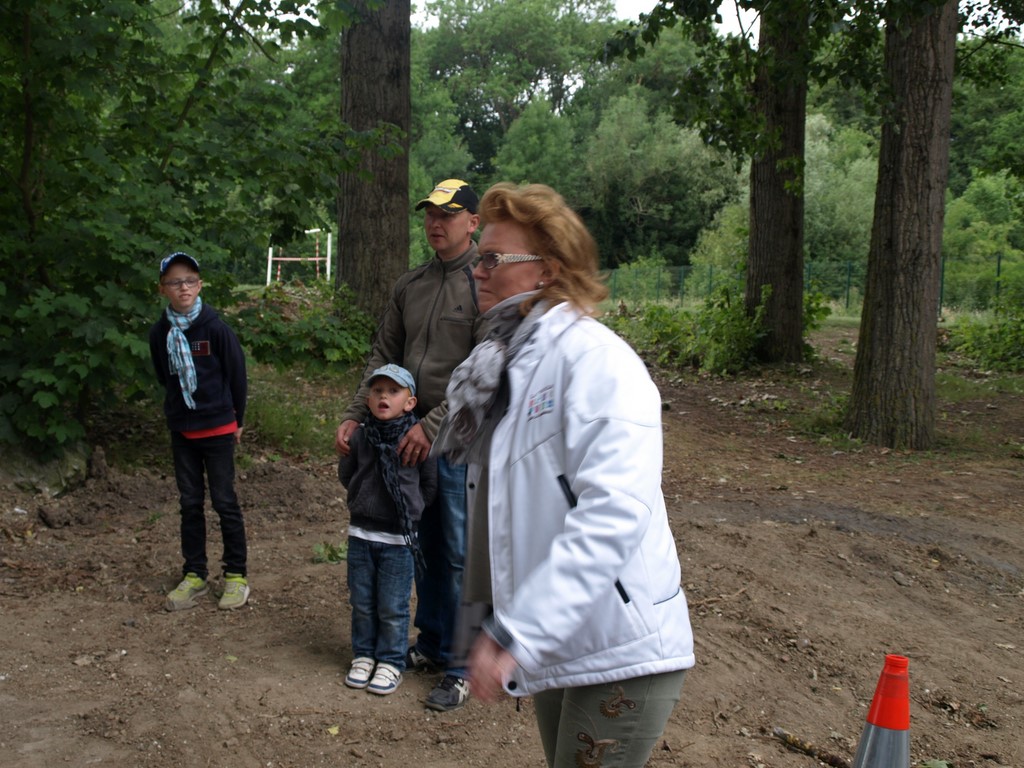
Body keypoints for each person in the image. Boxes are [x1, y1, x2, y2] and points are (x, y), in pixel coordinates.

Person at [432, 183, 695, 767]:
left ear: (547, 270)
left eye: (492, 258)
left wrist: (519, 628)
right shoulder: (509, 363)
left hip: (620, 643)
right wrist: (497, 620)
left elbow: (614, 512)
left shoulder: (596, 361)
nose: (477, 270)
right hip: (557, 635)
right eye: (479, 257)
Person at [335, 179, 481, 711]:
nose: (436, 223)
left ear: (473, 222)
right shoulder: (411, 284)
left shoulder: (483, 284)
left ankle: (462, 666)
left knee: (459, 553)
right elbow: (384, 353)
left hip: (458, 440)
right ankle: (434, 642)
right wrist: (357, 414)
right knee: (418, 545)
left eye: (449, 214)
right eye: (430, 214)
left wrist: (432, 424)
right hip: (403, 440)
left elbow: (482, 372)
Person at [149, 251, 250, 612]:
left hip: (218, 428)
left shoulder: (216, 329)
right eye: (175, 282)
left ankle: (236, 575)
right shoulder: (160, 333)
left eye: (190, 280)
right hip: (183, 430)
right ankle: (195, 574)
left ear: (200, 285)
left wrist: (238, 420)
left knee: (224, 501)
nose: (184, 287)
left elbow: (237, 376)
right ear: (163, 289)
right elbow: (164, 376)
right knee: (190, 502)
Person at [338, 364, 438, 695]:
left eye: (393, 391)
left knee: (392, 605)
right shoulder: (361, 437)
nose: (384, 396)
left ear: (410, 403)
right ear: (368, 399)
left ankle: (391, 661)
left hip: (398, 539)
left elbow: (429, 484)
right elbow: (347, 473)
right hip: (361, 535)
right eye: (378, 390)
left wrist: (412, 507)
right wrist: (362, 497)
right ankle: (364, 655)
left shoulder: (416, 441)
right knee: (362, 601)